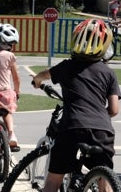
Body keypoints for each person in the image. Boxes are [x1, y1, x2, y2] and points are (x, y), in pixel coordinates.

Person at [32, 18, 120, 192]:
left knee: (52, 183)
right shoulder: (109, 73)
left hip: (72, 126)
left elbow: (44, 75)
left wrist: (36, 80)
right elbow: (113, 110)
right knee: (104, 179)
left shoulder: (66, 66)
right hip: (102, 131)